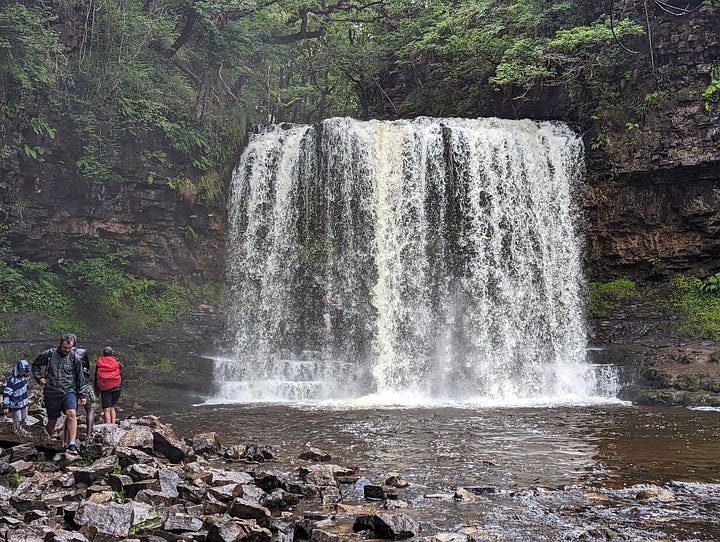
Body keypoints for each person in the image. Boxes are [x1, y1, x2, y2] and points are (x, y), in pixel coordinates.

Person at [31, 333, 87, 455]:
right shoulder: (49, 354)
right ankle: (46, 443)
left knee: (71, 413)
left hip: (68, 390)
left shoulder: (75, 358)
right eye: (64, 347)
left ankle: (72, 444)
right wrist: (39, 378)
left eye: (69, 348)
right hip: (51, 392)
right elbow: (35, 365)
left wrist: (82, 394)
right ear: (60, 344)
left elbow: (80, 377)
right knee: (52, 420)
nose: (67, 350)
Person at [3, 359, 32, 438]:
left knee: (24, 417)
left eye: (25, 372)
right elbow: (7, 393)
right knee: (17, 419)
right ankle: (17, 433)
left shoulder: (24, 378)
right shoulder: (12, 380)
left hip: (24, 402)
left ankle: (22, 430)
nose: (24, 373)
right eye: (22, 372)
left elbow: (25, 388)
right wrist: (6, 405)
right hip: (15, 403)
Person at [74, 346, 98, 439]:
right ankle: (89, 434)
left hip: (70, 385)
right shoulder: (82, 352)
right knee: (90, 408)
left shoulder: (66, 355)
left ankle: (69, 436)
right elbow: (87, 367)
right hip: (84, 384)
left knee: (71, 410)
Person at [95, 346, 122, 424]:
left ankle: (108, 426)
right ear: (112, 353)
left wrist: (97, 388)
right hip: (117, 386)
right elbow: (120, 374)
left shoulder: (100, 362)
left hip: (105, 387)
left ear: (103, 353)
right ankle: (113, 425)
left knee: (106, 409)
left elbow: (97, 375)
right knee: (112, 406)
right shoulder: (117, 362)